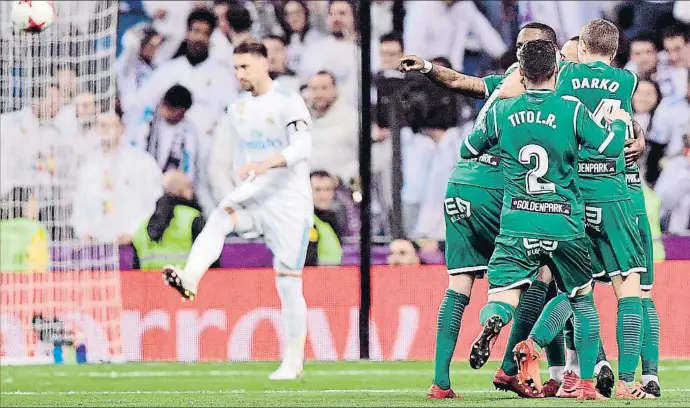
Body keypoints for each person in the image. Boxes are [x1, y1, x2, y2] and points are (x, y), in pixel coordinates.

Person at [399, 22, 567, 398]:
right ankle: (510, 368)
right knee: (542, 274)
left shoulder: (506, 79)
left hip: (459, 186)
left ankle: (440, 382)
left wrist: (427, 67)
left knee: (460, 282)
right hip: (498, 188)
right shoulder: (548, 86)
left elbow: (460, 82)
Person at [461, 39, 628, 401]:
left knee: (503, 298)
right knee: (581, 299)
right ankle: (584, 383)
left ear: (520, 73)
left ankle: (494, 322)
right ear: (557, 70)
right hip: (564, 222)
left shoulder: (502, 111)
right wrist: (617, 123)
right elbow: (611, 148)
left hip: (517, 221)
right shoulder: (571, 108)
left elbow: (468, 149)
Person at [500, 19, 657, 399]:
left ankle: (535, 344)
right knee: (630, 289)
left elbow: (545, 71)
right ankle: (627, 381)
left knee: (575, 289)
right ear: (615, 52)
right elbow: (616, 104)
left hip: (574, 197)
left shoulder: (564, 75)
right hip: (613, 192)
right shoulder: (626, 81)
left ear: (580, 48)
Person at [161, 40, 313, 381]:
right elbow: (237, 155)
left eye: (245, 67)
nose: (239, 74)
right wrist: (244, 173)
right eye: (235, 67)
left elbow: (303, 146)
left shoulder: (288, 100)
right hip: (256, 194)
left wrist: (265, 164)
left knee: (288, 282)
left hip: (289, 201)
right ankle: (191, 277)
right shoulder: (238, 108)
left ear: (264, 64)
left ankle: (293, 362)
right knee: (219, 216)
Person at [132, 170, 219, 270]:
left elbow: (135, 270)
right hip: (184, 284)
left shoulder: (142, 228)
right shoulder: (193, 219)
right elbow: (212, 262)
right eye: (189, 187)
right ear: (181, 191)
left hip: (149, 284)